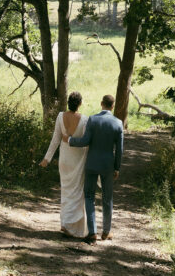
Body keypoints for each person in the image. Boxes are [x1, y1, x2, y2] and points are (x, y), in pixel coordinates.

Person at [65, 93, 124, 244]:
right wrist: (117, 168)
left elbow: (85, 141)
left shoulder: (93, 119)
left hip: (91, 164)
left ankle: (92, 232)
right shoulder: (118, 123)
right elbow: (120, 150)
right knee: (107, 198)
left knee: (89, 196)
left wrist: (70, 140)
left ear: (101, 103)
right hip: (108, 165)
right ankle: (106, 231)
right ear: (113, 106)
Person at [40, 90, 88, 238]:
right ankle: (72, 226)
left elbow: (55, 139)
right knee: (78, 192)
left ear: (68, 102)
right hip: (78, 159)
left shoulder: (61, 116)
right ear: (80, 103)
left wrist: (47, 158)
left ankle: (65, 224)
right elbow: (86, 142)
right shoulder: (85, 120)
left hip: (65, 159)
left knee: (66, 191)